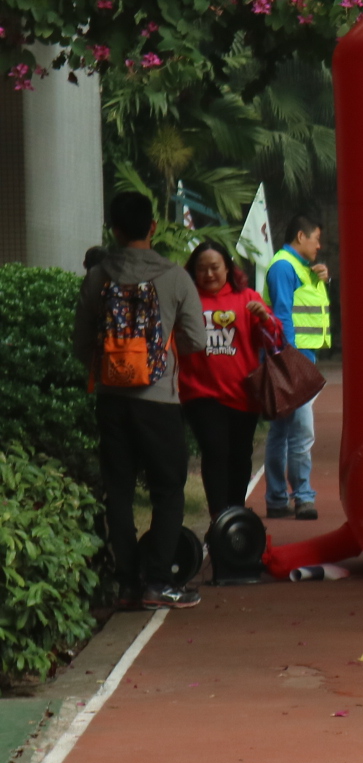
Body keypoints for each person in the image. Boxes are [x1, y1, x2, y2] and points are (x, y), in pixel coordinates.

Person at [74, 191, 209, 610]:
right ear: (152, 227)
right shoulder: (174, 276)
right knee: (168, 489)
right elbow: (196, 341)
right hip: (159, 401)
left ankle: (128, 583)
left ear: (113, 230)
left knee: (118, 490)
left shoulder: (98, 276)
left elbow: (81, 344)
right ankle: (157, 583)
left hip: (111, 400)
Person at [180, 240, 273, 536]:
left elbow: (274, 340)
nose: (208, 274)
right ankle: (219, 518)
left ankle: (237, 517)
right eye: (201, 268)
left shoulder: (247, 298)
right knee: (215, 451)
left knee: (239, 455)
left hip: (243, 394)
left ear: (228, 269)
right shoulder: (186, 300)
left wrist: (264, 318)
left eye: (215, 267)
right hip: (200, 394)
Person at [262, 212, 331, 519]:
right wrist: (289, 359)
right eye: (316, 238)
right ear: (301, 237)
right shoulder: (283, 267)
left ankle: (278, 499)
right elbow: (282, 314)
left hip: (298, 358)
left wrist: (321, 277)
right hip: (293, 359)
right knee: (300, 431)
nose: (319, 245)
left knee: (282, 430)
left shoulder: (299, 268)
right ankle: (301, 496)